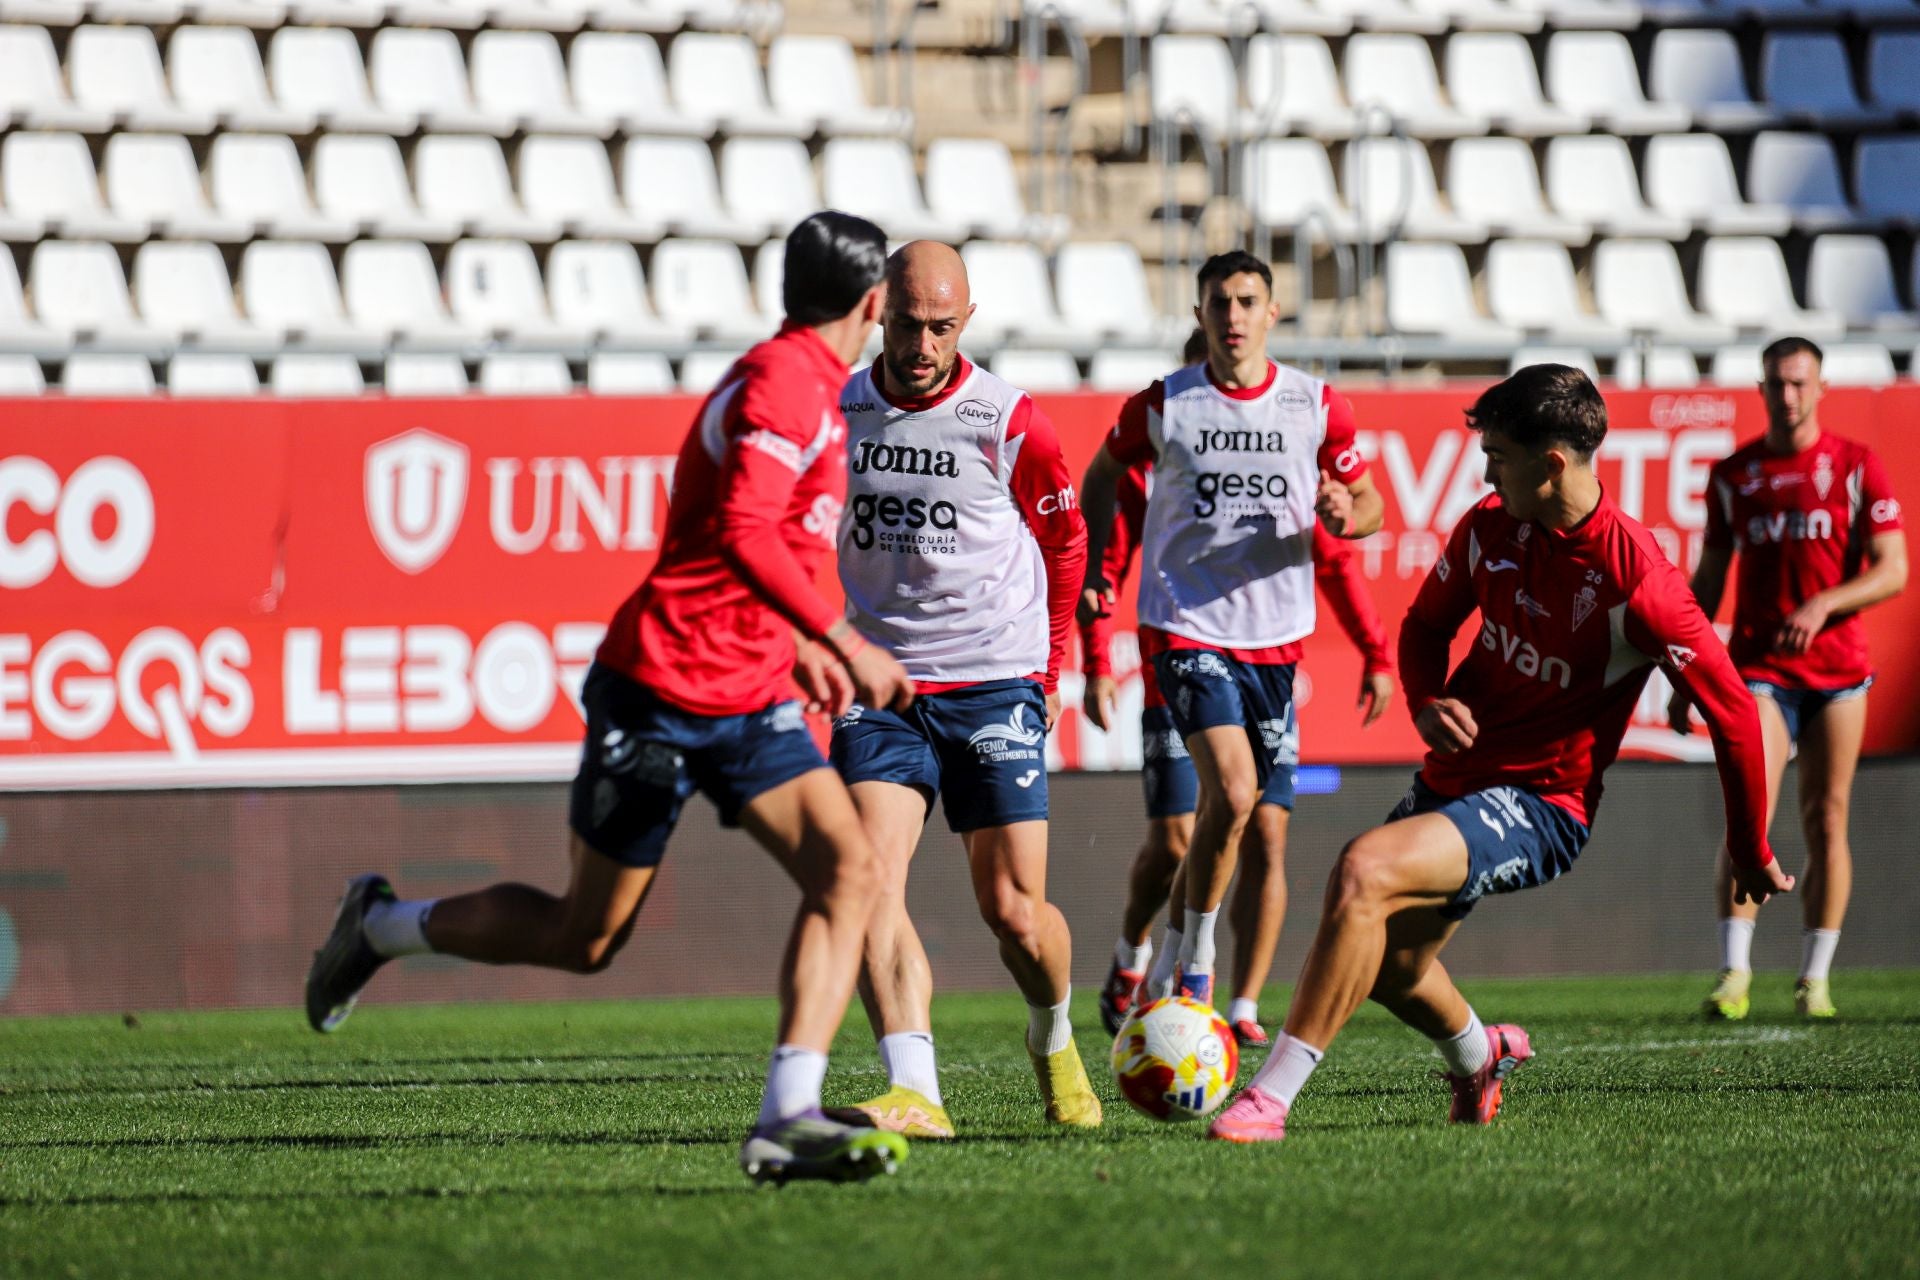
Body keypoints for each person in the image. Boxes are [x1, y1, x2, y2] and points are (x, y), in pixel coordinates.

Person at [305, 212, 920, 1185]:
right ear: (874, 303)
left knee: (848, 875)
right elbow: (744, 528)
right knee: (583, 937)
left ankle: (787, 1114)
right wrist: (840, 635)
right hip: (663, 688)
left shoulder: (811, 387)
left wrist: (797, 641)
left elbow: (765, 542)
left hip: (751, 694)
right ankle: (379, 923)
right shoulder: (784, 382)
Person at [1206, 364, 1795, 1145]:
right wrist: (1423, 699)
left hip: (1543, 803)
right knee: (1391, 967)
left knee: (1362, 871)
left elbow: (1736, 713)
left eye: (1498, 457)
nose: (1485, 472)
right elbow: (1421, 629)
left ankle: (1270, 1099)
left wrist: (1750, 848)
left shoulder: (1640, 582)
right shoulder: (1490, 526)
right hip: (1455, 780)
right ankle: (1482, 1057)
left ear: (1552, 464)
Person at [825, 242, 1098, 1139]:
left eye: (943, 327)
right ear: (878, 314)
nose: (923, 344)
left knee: (1014, 912)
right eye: (908, 324)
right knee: (864, 876)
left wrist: (1050, 670)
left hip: (993, 679)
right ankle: (916, 1088)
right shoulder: (839, 410)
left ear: (966, 322)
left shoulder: (1010, 419)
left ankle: (1054, 1038)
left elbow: (1066, 545)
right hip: (885, 681)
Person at [1078, 251, 1383, 1015]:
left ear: (1274, 312)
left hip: (1275, 640)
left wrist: (1352, 514)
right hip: (1183, 627)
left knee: (1235, 815)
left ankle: (1183, 967)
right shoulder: (1165, 405)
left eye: (1249, 301)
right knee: (1233, 795)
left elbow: (1369, 504)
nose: (1235, 316)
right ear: (1200, 314)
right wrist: (1090, 571)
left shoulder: (1316, 406)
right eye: (1220, 302)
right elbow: (1101, 477)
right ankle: (1196, 962)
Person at [1671, 337, 1906, 1021]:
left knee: (1828, 817)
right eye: (1777, 384)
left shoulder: (1856, 466)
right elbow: (1708, 581)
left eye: (1800, 383)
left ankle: (1814, 977)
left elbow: (1894, 568)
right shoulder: (1735, 475)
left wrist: (1826, 602)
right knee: (1752, 812)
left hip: (1838, 674)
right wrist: (1687, 673)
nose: (1789, 395)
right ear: (1763, 388)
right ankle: (1735, 971)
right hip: (1760, 669)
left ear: (1821, 387)